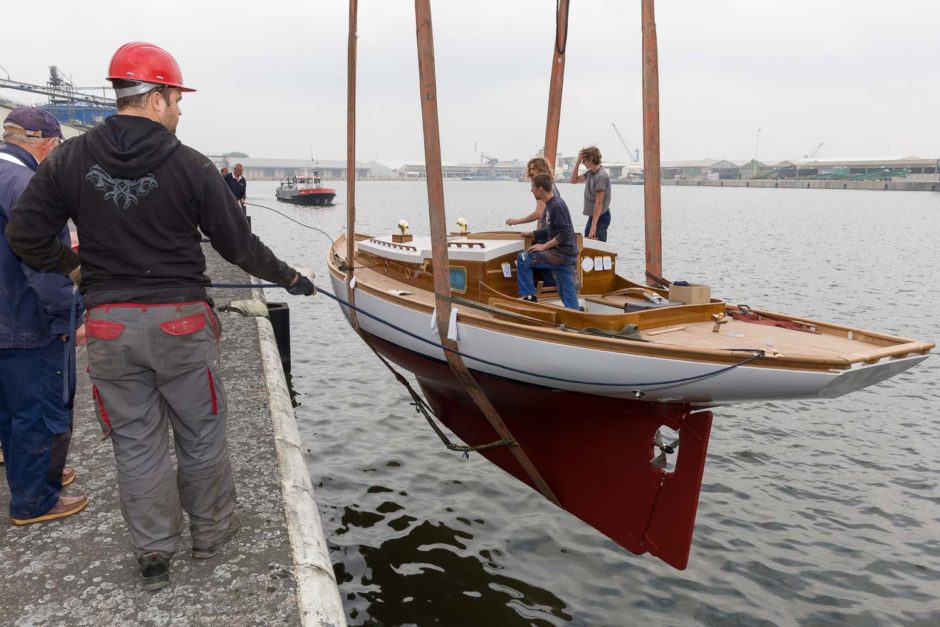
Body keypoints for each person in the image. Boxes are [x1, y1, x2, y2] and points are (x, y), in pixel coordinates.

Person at [6, 42, 315, 592]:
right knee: (200, 430)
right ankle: (211, 534)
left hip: (108, 326)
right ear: (153, 98)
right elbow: (238, 246)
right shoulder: (190, 163)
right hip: (181, 322)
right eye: (175, 98)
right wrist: (291, 278)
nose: (179, 109)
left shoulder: (71, 159)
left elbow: (25, 235)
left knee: (134, 440)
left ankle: (153, 552)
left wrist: (78, 274)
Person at [0, 108, 87, 525]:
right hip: (28, 321)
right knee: (41, 410)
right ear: (48, 145)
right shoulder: (29, 185)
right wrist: (72, 312)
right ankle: (35, 500)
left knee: (10, 412)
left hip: (4, 315)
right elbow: (43, 265)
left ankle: (33, 476)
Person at [515, 173, 579, 309]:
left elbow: (564, 234)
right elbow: (551, 229)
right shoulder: (552, 204)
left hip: (560, 254)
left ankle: (529, 298)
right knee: (567, 293)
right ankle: (576, 317)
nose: (531, 190)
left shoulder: (556, 206)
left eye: (533, 187)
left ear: (540, 189)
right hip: (567, 255)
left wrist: (543, 246)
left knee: (524, 257)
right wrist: (533, 234)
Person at [570, 145, 611, 241]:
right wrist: (577, 163)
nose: (583, 162)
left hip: (601, 217)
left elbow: (599, 202)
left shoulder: (601, 176)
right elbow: (573, 180)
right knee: (587, 246)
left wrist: (593, 227)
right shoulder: (590, 173)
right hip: (593, 217)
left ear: (591, 158)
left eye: (584, 160)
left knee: (598, 249)